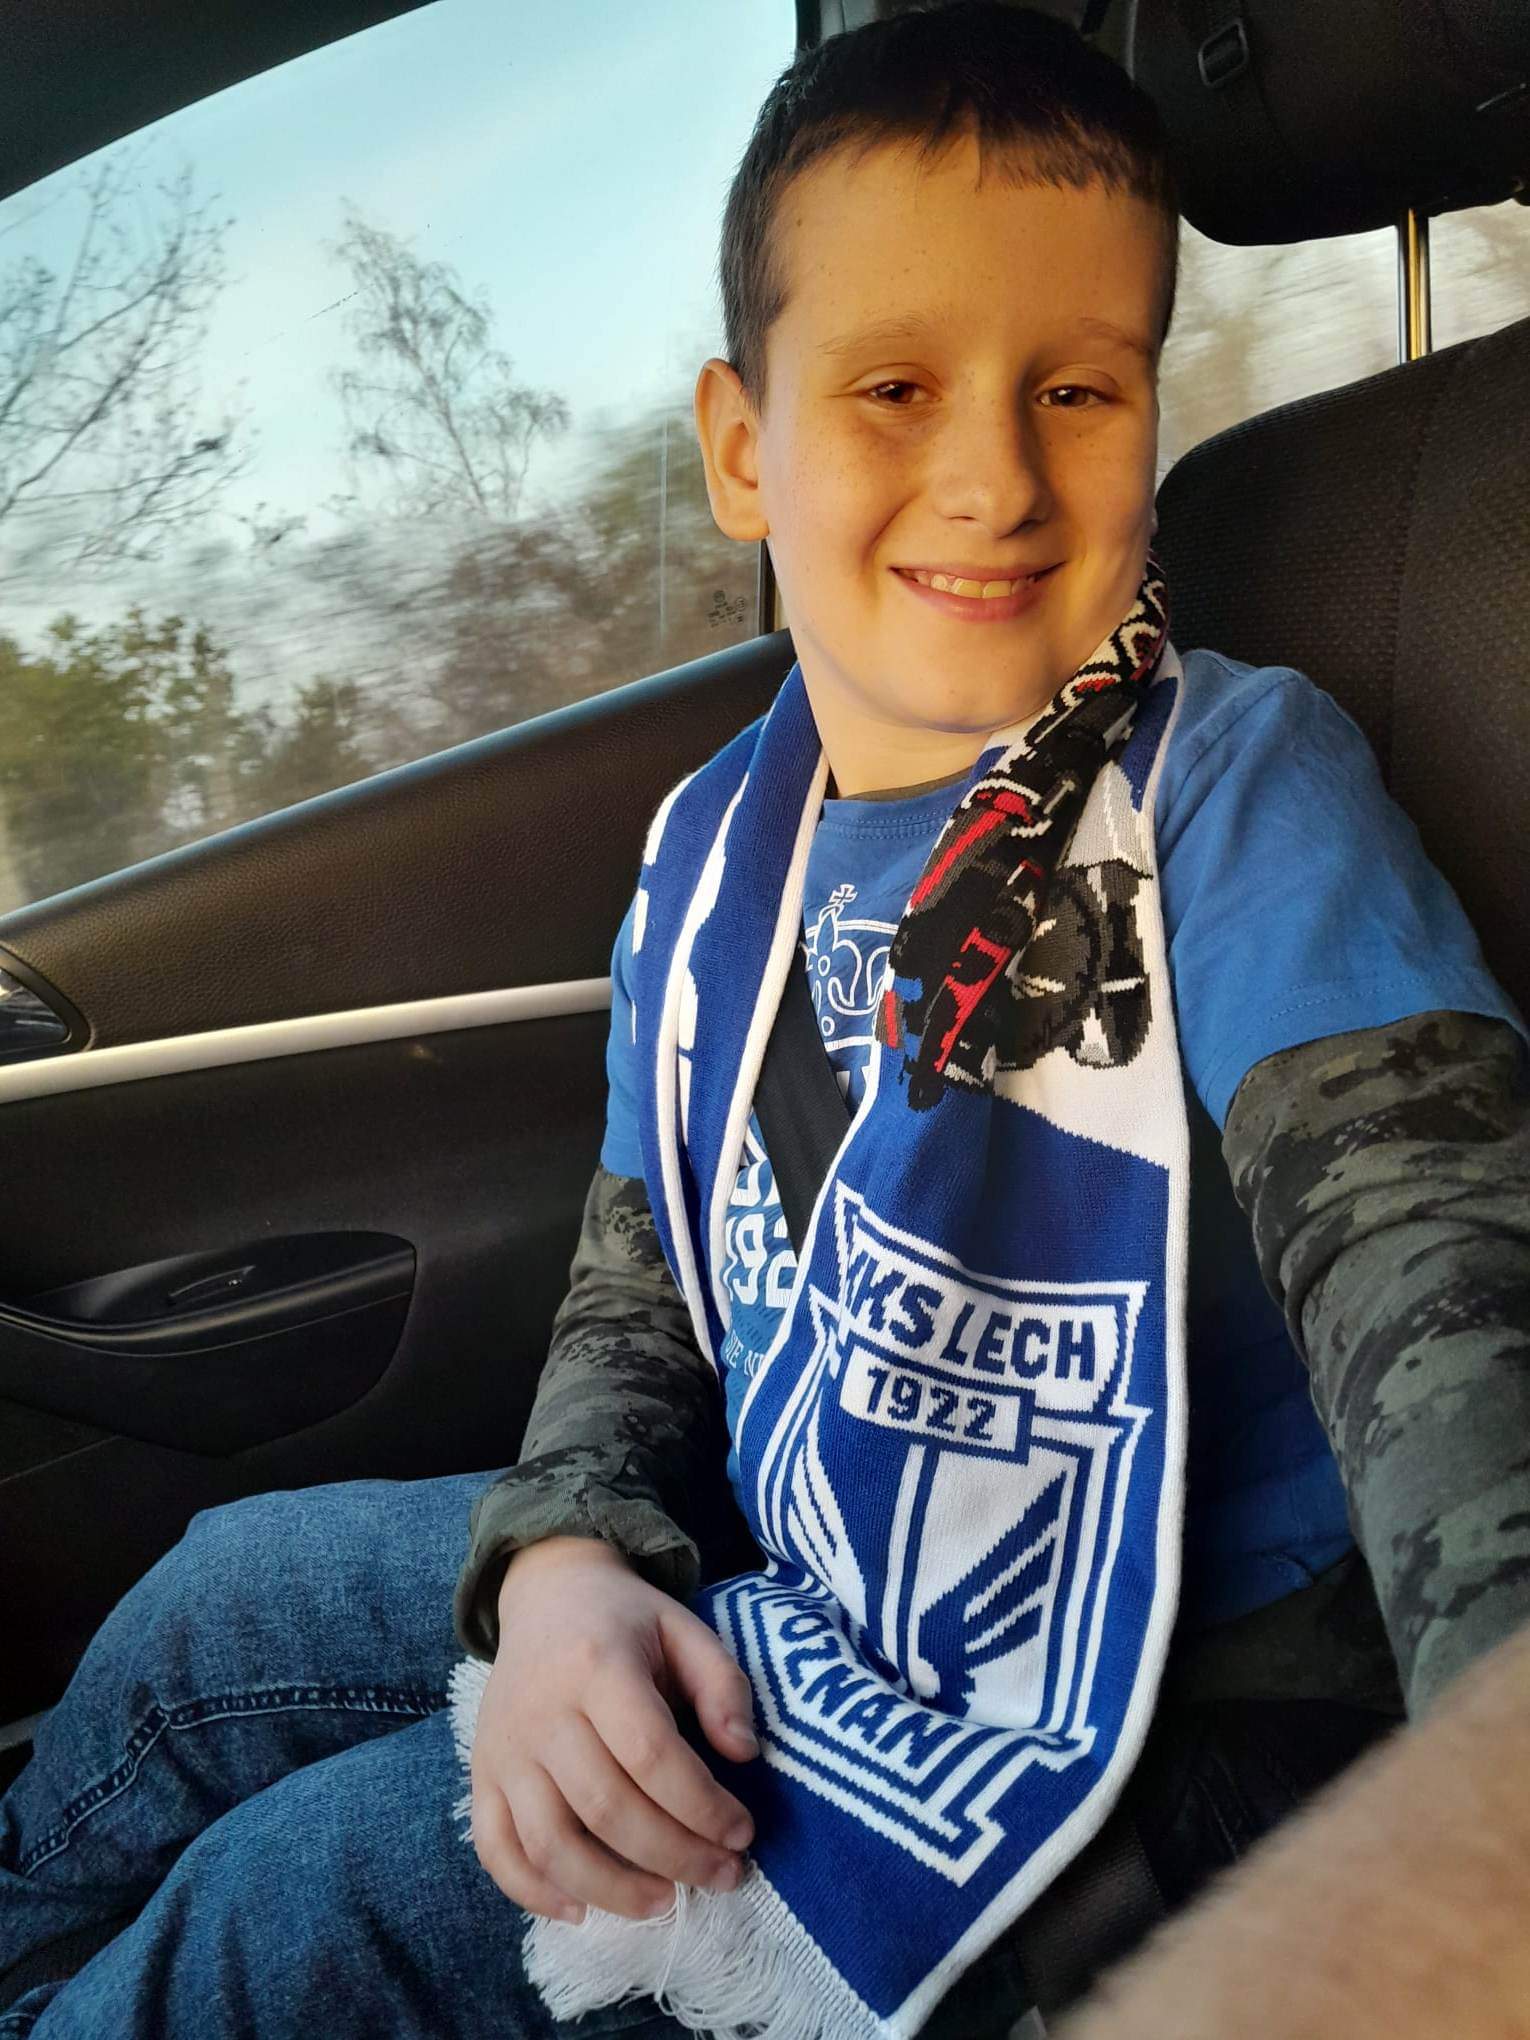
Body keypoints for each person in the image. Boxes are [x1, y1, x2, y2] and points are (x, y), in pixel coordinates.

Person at [2, 6, 1526, 2036]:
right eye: (894, 386)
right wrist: (561, 1569)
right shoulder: (723, 848)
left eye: (1076, 388)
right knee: (211, 1605)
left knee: (312, 1896)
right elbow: (639, 1290)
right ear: (741, 449)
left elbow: (1439, 1286)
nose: (994, 478)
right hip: (826, 1546)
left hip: (1182, 1690)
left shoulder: (1231, 785)